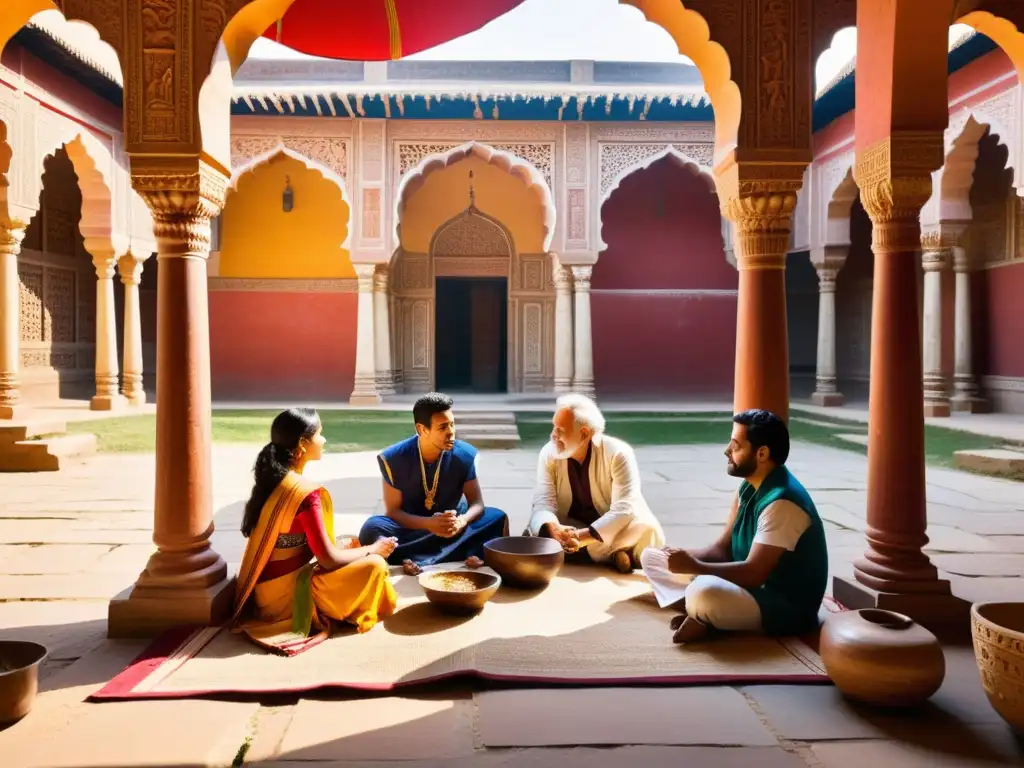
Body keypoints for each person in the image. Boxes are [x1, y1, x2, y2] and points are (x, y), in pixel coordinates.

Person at [641, 409, 829, 644]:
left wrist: (696, 567)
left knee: (704, 591)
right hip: (745, 589)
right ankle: (704, 616)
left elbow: (753, 573)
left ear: (761, 453)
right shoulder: (749, 487)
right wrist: (679, 558)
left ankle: (706, 615)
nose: (727, 451)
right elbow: (721, 550)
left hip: (782, 606)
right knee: (652, 556)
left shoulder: (783, 502)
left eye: (736, 446)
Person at [232, 408, 398, 655]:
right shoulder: (305, 495)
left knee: (351, 545)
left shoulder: (277, 481)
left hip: (265, 595)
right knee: (375, 565)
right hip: (286, 600)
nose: (324, 440)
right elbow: (328, 559)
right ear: (302, 443)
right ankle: (335, 609)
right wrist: (373, 549)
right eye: (320, 434)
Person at [358, 392, 510, 576]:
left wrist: (461, 521)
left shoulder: (463, 454)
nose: (451, 432)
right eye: (443, 427)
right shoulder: (394, 458)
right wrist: (428, 524)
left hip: (453, 526)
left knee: (497, 517)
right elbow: (393, 511)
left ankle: (414, 558)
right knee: (372, 528)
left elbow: (477, 503)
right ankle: (465, 553)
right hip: (412, 527)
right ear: (422, 429)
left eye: (452, 424)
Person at [526, 393, 665, 573]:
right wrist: (554, 531)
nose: (553, 435)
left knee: (645, 528)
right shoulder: (549, 453)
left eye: (561, 430)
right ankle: (616, 554)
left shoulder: (618, 453)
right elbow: (544, 501)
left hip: (611, 526)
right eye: (553, 427)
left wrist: (581, 537)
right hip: (572, 524)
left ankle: (608, 553)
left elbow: (624, 508)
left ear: (584, 433)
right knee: (539, 530)